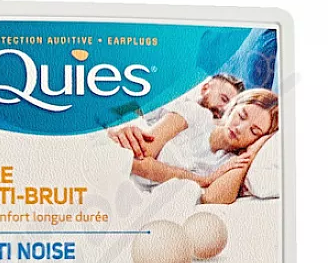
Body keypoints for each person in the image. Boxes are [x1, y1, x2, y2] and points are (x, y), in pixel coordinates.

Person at [109, 88, 278, 204]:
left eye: (254, 131)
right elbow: (139, 157)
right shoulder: (196, 114)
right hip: (116, 164)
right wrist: (203, 180)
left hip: (129, 195)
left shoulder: (229, 164)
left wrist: (251, 154)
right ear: (232, 108)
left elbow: (212, 199)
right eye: (241, 116)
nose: (240, 128)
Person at [110, 73, 244, 160]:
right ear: (205, 88)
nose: (223, 109)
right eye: (224, 99)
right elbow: (130, 108)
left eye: (230, 107)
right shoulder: (180, 102)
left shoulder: (216, 132)